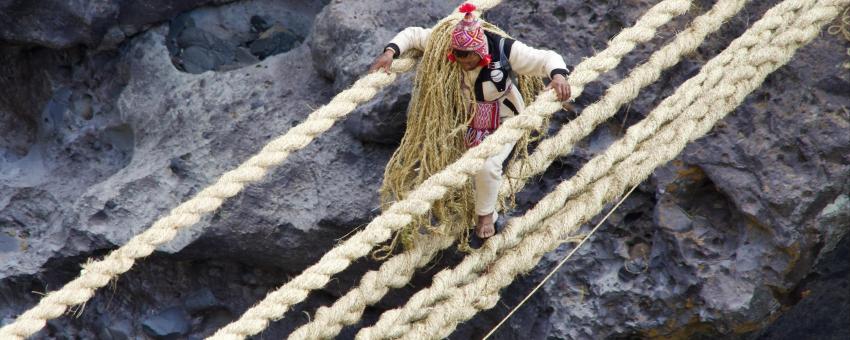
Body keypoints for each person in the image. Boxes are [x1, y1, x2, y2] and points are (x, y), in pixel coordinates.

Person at [369, 3, 570, 248]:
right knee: (454, 169)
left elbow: (546, 58)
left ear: (481, 49)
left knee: (487, 165)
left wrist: (558, 75)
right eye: (459, 57)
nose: (463, 62)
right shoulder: (448, 42)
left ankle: (486, 216)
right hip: (466, 121)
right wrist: (390, 52)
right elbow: (413, 34)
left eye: (469, 57)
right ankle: (463, 208)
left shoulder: (504, 49)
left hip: (506, 118)